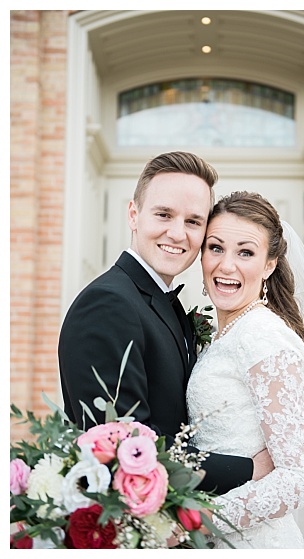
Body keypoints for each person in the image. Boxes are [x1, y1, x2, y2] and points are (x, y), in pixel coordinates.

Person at [58, 152, 271, 494]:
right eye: (163, 214)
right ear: (133, 214)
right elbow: (125, 446)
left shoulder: (164, 304)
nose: (177, 233)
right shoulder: (107, 304)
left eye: (193, 221)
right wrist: (249, 468)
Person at [186, 191, 304, 548]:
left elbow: (300, 478)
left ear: (269, 264)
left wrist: (200, 520)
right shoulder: (227, 334)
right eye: (216, 247)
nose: (226, 265)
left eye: (246, 252)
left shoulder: (264, 336)